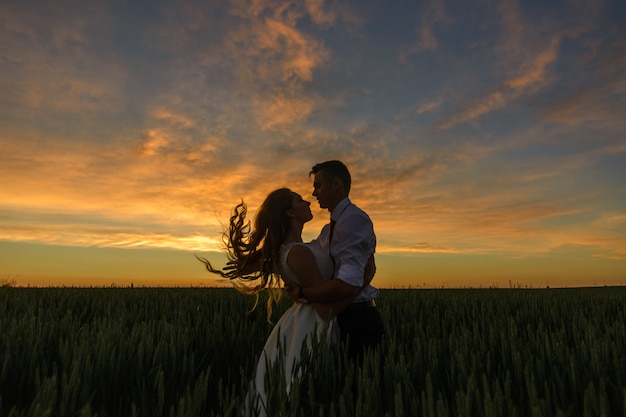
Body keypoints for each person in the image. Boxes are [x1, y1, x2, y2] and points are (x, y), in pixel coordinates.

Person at [197, 188, 373, 416]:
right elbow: (324, 307)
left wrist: (262, 264)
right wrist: (361, 282)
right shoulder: (298, 253)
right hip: (314, 325)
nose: (307, 201)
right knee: (305, 390)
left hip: (300, 322)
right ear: (290, 213)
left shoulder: (294, 249)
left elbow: (287, 265)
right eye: (300, 200)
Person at [285, 160, 384, 360]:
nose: (314, 194)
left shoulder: (353, 220)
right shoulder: (328, 229)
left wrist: (303, 293)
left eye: (318, 186)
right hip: (338, 318)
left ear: (336, 184)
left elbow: (348, 284)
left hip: (358, 321)